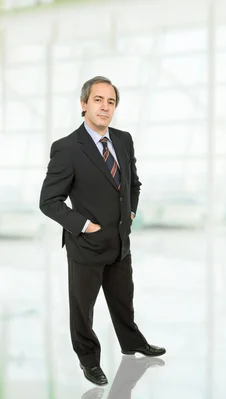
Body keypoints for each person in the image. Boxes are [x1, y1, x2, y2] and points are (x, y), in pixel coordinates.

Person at [39, 76, 165, 387]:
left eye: (110, 102)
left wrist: (131, 212)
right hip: (87, 244)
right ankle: (88, 360)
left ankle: (131, 342)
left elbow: (133, 183)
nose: (104, 107)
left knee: (123, 299)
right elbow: (49, 201)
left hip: (120, 241)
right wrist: (84, 225)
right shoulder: (67, 148)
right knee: (83, 309)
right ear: (84, 104)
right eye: (98, 100)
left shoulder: (123, 140)